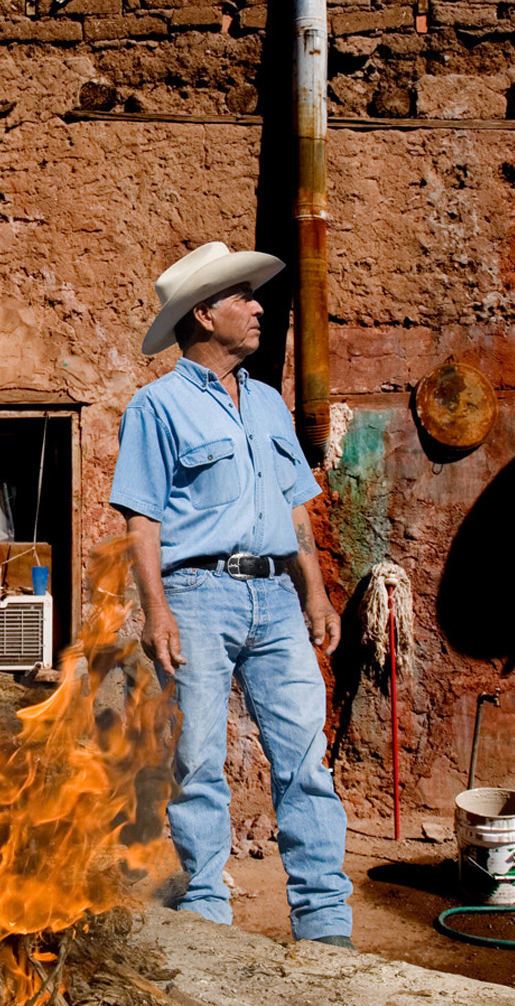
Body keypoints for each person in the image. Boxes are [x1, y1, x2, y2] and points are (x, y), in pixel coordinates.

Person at [109, 241, 354, 948]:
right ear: (202, 313)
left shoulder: (271, 404)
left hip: (277, 598)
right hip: (196, 596)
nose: (258, 307)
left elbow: (297, 508)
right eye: (242, 298)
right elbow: (142, 520)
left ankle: (326, 924)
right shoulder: (156, 407)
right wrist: (156, 610)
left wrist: (315, 597)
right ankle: (210, 916)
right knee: (196, 764)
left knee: (306, 758)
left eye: (256, 296)